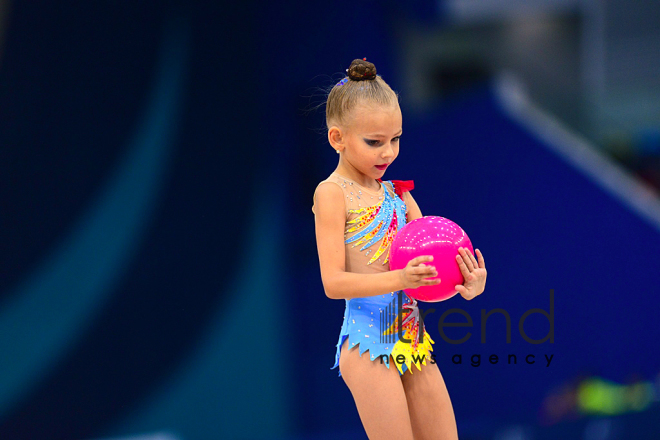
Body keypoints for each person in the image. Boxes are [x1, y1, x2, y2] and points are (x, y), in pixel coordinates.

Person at [311, 59, 487, 440]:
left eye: (396, 138)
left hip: (412, 340)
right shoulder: (332, 194)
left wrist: (465, 284)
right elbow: (333, 282)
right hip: (366, 342)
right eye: (374, 142)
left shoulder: (400, 195)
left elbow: (424, 282)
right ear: (337, 138)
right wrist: (401, 278)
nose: (387, 152)